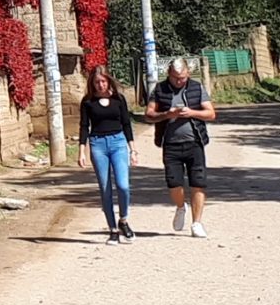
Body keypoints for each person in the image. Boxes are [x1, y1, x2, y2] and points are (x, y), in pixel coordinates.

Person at [148, 58, 217, 237]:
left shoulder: (196, 87)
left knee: (198, 183)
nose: (179, 81)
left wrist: (192, 112)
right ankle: (180, 206)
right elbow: (149, 114)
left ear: (188, 74)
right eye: (175, 78)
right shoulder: (160, 89)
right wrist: (166, 114)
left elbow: (211, 113)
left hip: (195, 143)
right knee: (174, 183)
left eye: (183, 77)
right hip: (171, 145)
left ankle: (197, 223)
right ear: (168, 74)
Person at [77, 67, 136, 241]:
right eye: (97, 82)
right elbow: (84, 126)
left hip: (118, 143)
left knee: (123, 185)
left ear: (109, 81)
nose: (100, 85)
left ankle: (123, 220)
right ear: (92, 83)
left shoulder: (118, 99)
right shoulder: (88, 102)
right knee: (105, 189)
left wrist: (133, 150)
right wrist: (82, 152)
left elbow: (126, 124)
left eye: (103, 81)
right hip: (98, 145)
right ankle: (113, 229)